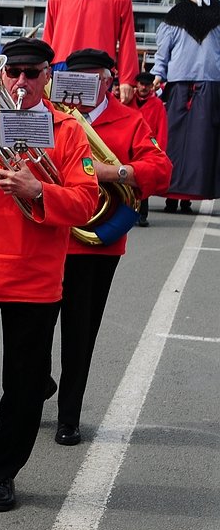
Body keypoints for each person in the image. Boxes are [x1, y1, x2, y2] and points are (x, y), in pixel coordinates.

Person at [0, 38, 98, 512]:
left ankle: (5, 471)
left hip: (35, 278)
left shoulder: (69, 130)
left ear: (47, 75)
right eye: (14, 73)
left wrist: (39, 189)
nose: (21, 82)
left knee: (25, 384)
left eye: (33, 73)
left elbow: (88, 201)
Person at [53, 49, 172, 446]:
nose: (81, 85)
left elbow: (161, 169)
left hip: (94, 245)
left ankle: (68, 415)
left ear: (108, 80)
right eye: (75, 77)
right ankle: (34, 386)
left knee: (80, 333)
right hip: (48, 238)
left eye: (91, 77)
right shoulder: (51, 115)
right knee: (30, 331)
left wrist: (114, 171)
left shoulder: (129, 119)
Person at [152, 0, 219, 214]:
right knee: (174, 142)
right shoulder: (175, 14)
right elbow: (162, 52)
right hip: (178, 86)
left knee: (203, 145)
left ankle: (190, 195)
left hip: (212, 88)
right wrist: (158, 74)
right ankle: (170, 193)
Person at [127, 71, 168, 225]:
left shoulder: (157, 104)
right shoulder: (128, 101)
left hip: (147, 147)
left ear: (152, 86)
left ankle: (142, 215)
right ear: (136, 85)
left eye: (147, 85)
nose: (144, 87)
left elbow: (162, 129)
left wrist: (160, 150)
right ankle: (128, 213)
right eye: (141, 84)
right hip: (128, 144)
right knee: (125, 181)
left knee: (143, 180)